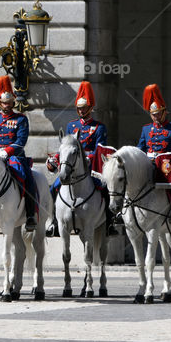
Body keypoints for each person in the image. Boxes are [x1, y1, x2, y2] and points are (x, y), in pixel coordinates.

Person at [44, 81, 114, 237]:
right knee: (53, 187)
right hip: (71, 165)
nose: (81, 111)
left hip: (90, 166)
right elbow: (65, 147)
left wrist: (88, 157)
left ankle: (110, 222)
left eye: (84, 108)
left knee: (105, 188)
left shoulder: (99, 127)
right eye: (79, 108)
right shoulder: (71, 126)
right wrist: (55, 159)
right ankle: (55, 222)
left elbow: (100, 149)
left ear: (90, 108)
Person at [0, 76, 38, 232]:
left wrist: (7, 151)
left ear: (13, 103)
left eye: (9, 103)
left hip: (14, 157)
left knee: (28, 179)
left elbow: (20, 141)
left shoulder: (20, 119)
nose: (7, 106)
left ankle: (30, 215)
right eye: (4, 103)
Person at [137, 83, 171, 225]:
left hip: (165, 166)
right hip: (148, 163)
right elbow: (140, 148)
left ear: (164, 112)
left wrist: (168, 159)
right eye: (153, 114)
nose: (156, 116)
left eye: (158, 113)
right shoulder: (146, 129)